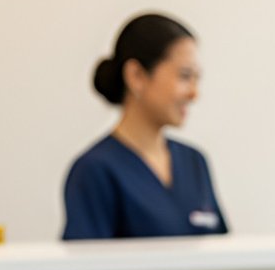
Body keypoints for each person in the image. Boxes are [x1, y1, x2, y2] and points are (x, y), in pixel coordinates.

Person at [63, 14, 228, 239]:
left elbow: (222, 258)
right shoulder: (95, 172)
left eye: (196, 79)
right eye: (184, 76)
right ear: (137, 76)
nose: (194, 94)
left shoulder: (194, 163)